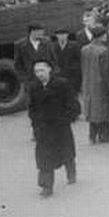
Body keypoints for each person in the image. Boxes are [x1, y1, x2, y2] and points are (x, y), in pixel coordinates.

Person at [28, 59, 80, 197]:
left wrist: (68, 118)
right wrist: (35, 122)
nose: (39, 74)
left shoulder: (61, 84)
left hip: (60, 127)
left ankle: (71, 173)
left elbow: (72, 103)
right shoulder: (34, 87)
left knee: (66, 152)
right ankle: (46, 186)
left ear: (49, 69)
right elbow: (31, 107)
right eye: (36, 71)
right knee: (44, 158)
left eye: (42, 70)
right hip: (43, 128)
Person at [81, 26, 109, 144]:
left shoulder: (84, 49)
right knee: (104, 110)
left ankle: (92, 135)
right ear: (100, 36)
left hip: (88, 82)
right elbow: (106, 71)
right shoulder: (103, 50)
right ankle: (105, 135)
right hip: (100, 84)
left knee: (91, 110)